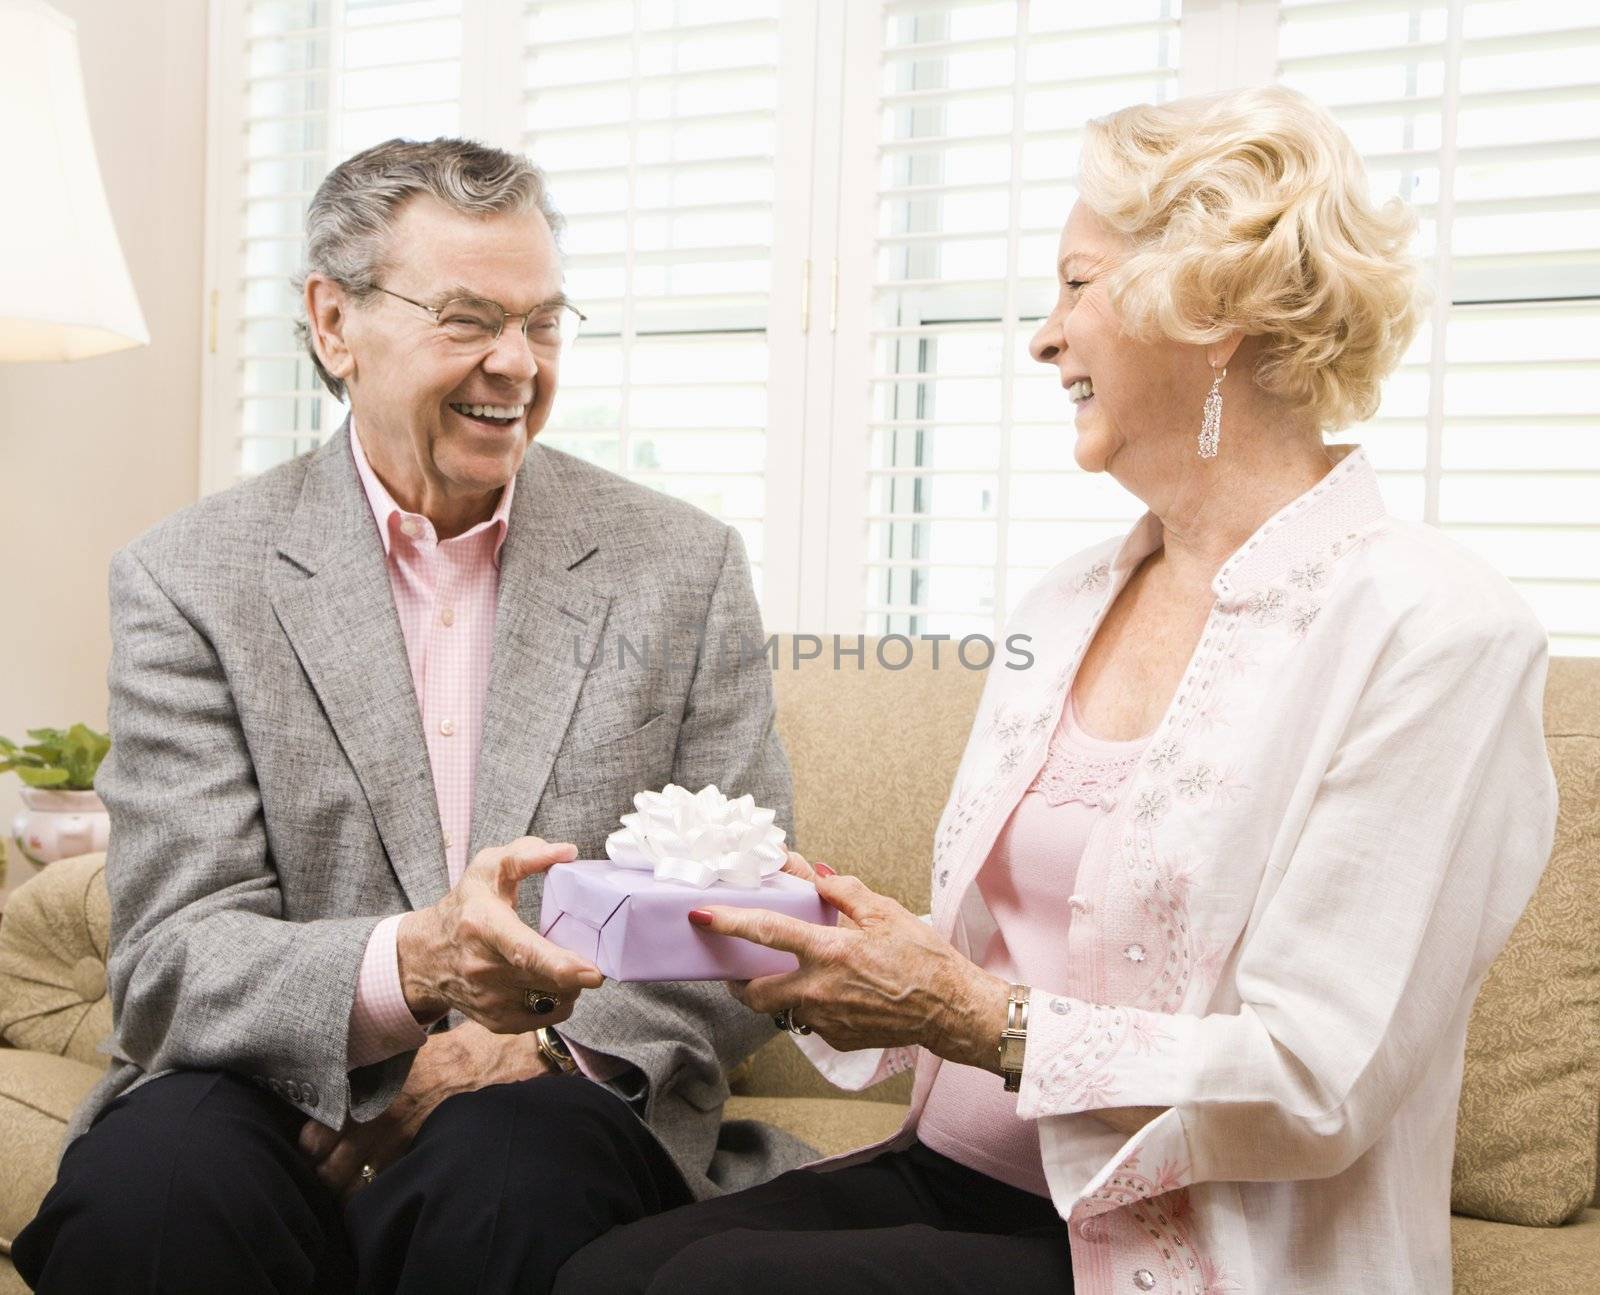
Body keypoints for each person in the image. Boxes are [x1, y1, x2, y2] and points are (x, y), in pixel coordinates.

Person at [556, 85, 1560, 1295]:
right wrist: (856, 953)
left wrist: (966, 1013)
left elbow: (1318, 1079)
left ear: (1213, 309)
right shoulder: (1065, 601)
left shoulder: (1436, 630)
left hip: (1194, 1236)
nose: (1044, 336)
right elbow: (1010, 955)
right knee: (599, 1269)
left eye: (1077, 285)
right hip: (956, 1173)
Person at [14, 138, 812, 1295]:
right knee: (155, 1197)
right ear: (334, 322)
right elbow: (176, 954)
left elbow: (736, 917)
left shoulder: (678, 566)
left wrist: (540, 1044)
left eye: (542, 321)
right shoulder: (189, 576)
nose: (515, 363)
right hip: (267, 1088)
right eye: (467, 317)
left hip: (557, 1092)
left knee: (508, 1178)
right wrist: (413, 970)